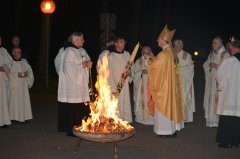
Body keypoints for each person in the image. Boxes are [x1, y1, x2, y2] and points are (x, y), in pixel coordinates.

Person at [147, 25, 185, 137]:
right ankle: (172, 130)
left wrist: (149, 60)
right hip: (172, 85)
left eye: (159, 38)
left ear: (164, 40)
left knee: (164, 106)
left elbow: (155, 68)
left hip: (165, 87)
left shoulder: (164, 54)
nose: (157, 40)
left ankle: (165, 131)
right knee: (171, 106)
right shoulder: (171, 51)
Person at [57, 32, 92, 136]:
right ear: (76, 40)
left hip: (79, 84)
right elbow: (68, 69)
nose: (83, 41)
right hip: (73, 86)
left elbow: (83, 61)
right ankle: (72, 130)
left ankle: (80, 128)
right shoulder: (69, 51)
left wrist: (86, 63)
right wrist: (84, 65)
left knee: (80, 107)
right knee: (73, 109)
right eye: (82, 39)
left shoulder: (77, 50)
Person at [215, 39, 240, 148]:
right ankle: (237, 142)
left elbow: (220, 76)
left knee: (228, 118)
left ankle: (226, 142)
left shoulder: (230, 61)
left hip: (230, 96)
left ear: (231, 47)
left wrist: (221, 86)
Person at [203, 36, 230, 127]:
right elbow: (206, 64)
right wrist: (209, 65)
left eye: (215, 43)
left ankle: (219, 121)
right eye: (212, 43)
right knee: (210, 101)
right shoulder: (212, 54)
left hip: (220, 84)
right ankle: (211, 121)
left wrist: (217, 66)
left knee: (218, 102)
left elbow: (229, 69)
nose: (213, 45)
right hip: (211, 82)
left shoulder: (225, 55)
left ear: (220, 44)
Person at [107, 36, 133, 123]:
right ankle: (116, 122)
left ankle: (125, 121)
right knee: (116, 104)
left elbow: (130, 67)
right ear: (116, 43)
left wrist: (130, 73)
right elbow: (109, 73)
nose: (123, 44)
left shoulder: (127, 54)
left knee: (125, 102)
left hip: (124, 84)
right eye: (121, 42)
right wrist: (113, 88)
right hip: (115, 84)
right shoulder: (111, 56)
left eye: (124, 42)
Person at [9, 47, 34, 123]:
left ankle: (24, 117)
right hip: (14, 87)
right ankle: (12, 117)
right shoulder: (10, 63)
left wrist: (27, 74)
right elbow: (7, 74)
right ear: (13, 53)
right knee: (14, 102)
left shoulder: (24, 62)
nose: (19, 53)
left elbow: (30, 71)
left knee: (23, 101)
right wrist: (17, 75)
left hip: (23, 87)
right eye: (17, 52)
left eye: (20, 52)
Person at [173, 39, 195, 123]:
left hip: (184, 81)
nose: (176, 47)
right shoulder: (172, 54)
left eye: (178, 45)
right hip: (174, 81)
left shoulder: (187, 55)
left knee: (184, 99)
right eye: (175, 46)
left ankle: (184, 118)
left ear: (182, 46)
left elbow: (190, 68)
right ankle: (176, 118)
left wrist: (179, 67)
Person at [132, 46, 154, 125]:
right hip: (141, 85)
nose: (145, 54)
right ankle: (140, 118)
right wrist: (141, 72)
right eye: (144, 52)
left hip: (151, 85)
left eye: (147, 53)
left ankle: (151, 118)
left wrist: (150, 73)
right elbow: (134, 72)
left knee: (151, 100)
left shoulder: (153, 60)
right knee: (141, 100)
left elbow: (159, 72)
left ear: (150, 52)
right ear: (142, 53)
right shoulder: (138, 61)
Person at [0, 35, 12, 128]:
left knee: (3, 101)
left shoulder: (3, 51)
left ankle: (3, 120)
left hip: (2, 80)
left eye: (0, 39)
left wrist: (4, 67)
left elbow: (9, 63)